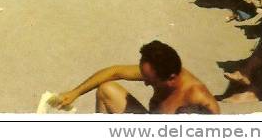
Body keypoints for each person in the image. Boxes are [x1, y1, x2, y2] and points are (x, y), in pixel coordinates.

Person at [55, 40, 220, 114]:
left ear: (171, 78)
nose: (146, 83)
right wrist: (75, 93)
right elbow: (115, 72)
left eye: (150, 81)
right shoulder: (160, 69)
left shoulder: (200, 100)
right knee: (107, 89)